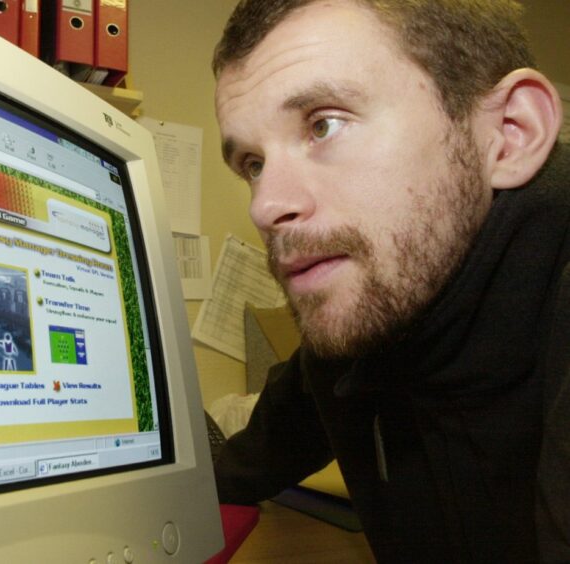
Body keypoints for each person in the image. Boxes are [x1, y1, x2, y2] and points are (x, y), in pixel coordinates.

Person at [211, 0, 569, 561]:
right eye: (253, 164)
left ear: (511, 133)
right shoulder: (369, 313)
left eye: (323, 124)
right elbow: (239, 469)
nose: (266, 206)